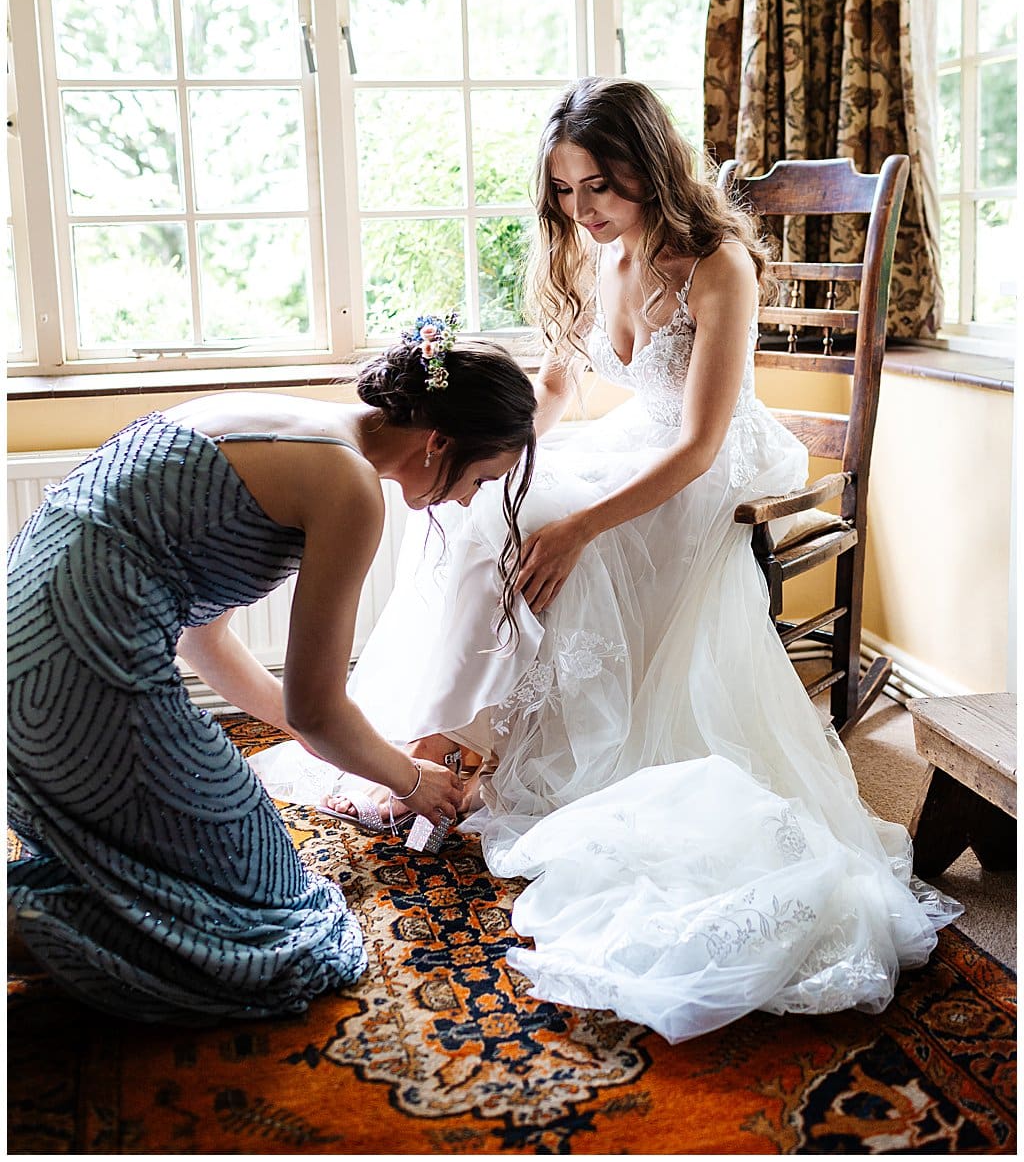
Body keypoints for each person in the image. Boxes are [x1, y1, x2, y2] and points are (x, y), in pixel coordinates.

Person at [253, 78, 961, 1043]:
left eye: (601, 188)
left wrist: (581, 524)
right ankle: (450, 736)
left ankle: (517, 751)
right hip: (634, 441)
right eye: (565, 192)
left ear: (648, 169)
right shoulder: (590, 256)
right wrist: (517, 454)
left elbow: (703, 445)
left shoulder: (715, 268)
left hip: (709, 464)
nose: (583, 212)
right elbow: (556, 387)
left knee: (570, 536)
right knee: (495, 505)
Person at [6, 324, 537, 1022]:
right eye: (480, 478)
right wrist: (414, 780)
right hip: (80, 681)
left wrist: (343, 742)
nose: (468, 499)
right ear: (438, 441)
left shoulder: (282, 416)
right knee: (283, 928)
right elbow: (317, 708)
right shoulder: (348, 487)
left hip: (21, 664)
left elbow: (204, 641)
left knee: (193, 870)